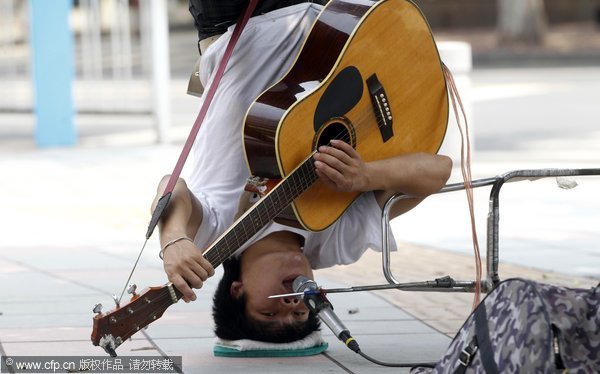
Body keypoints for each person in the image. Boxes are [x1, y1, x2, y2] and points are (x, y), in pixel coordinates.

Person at [152, 0, 452, 343]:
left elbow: (171, 188)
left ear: (237, 289)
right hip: (328, 20)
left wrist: (173, 240)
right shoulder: (334, 241)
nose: (292, 302)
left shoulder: (214, 235)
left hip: (239, 21)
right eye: (301, 311)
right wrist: (366, 175)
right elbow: (438, 170)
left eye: (271, 312)